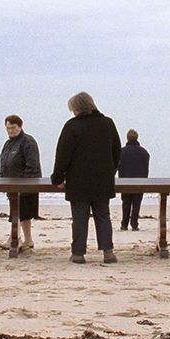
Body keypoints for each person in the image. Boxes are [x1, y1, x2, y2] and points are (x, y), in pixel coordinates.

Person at [51, 92, 121, 264]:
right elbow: (117, 151)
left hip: (78, 180)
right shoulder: (107, 124)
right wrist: (110, 171)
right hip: (102, 179)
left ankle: (78, 253)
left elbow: (63, 155)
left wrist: (57, 177)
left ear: (77, 108)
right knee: (103, 216)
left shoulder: (72, 126)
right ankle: (108, 252)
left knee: (80, 218)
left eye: (73, 109)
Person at [0, 114, 42, 252]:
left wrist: (24, 184)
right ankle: (24, 240)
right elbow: (4, 162)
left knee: (22, 212)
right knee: (18, 213)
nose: (10, 131)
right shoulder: (8, 143)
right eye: (8, 128)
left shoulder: (28, 141)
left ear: (20, 126)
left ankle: (17, 239)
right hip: (11, 185)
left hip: (26, 185)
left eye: (13, 128)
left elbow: (32, 164)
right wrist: (3, 180)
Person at [117, 129, 150, 231]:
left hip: (125, 182)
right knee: (136, 203)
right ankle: (134, 223)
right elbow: (146, 168)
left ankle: (124, 223)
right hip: (140, 181)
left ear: (127, 138)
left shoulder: (121, 152)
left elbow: (117, 166)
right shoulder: (144, 152)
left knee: (126, 203)